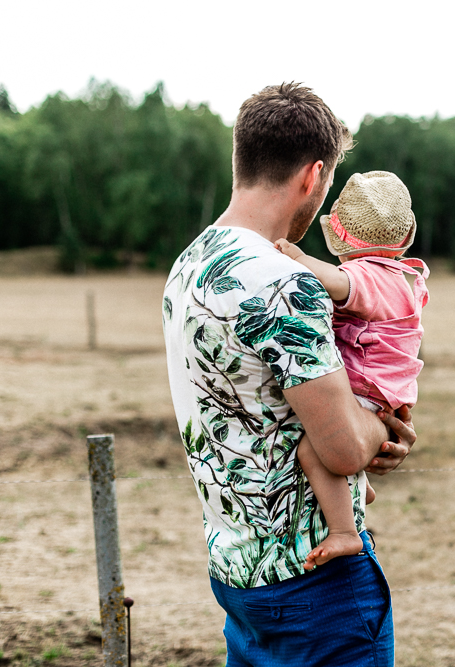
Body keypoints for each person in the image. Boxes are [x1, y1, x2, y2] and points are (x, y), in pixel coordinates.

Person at [162, 82, 413, 667]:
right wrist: (383, 429)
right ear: (313, 175)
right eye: (325, 189)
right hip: (314, 581)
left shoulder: (189, 265)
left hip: (235, 569)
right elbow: (346, 449)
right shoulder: (282, 280)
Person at [273, 170, 429, 571]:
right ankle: (358, 489)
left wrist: (295, 256)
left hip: (368, 383)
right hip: (386, 388)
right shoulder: (401, 278)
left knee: (313, 450)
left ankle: (344, 532)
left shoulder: (369, 277)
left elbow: (332, 280)